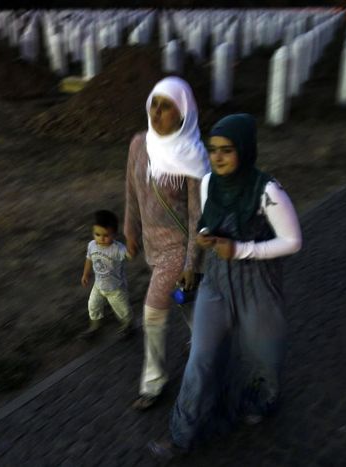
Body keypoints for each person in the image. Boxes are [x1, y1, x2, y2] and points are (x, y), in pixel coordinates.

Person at [148, 113, 303, 461]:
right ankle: (181, 433)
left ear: (245, 151)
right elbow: (206, 222)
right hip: (217, 283)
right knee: (200, 358)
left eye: (227, 150)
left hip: (257, 285)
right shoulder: (207, 184)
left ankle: (262, 400)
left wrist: (242, 249)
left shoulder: (268, 191)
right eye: (213, 149)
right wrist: (204, 243)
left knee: (263, 354)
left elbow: (293, 241)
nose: (217, 157)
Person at [124, 76, 210, 410]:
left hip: (178, 249)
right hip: (151, 245)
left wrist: (191, 264)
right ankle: (206, 340)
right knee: (185, 300)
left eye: (167, 107)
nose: (157, 113)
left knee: (153, 313)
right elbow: (131, 191)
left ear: (184, 113)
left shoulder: (194, 158)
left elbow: (196, 219)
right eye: (154, 105)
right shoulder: (138, 145)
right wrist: (130, 230)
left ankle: (153, 382)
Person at [80, 210, 134, 339]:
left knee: (123, 310)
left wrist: (131, 247)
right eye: (97, 234)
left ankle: (128, 325)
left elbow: (129, 255)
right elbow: (89, 259)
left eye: (106, 235)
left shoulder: (117, 248)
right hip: (98, 285)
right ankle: (94, 326)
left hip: (116, 288)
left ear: (114, 234)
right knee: (92, 305)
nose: (101, 238)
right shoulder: (92, 245)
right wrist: (86, 274)